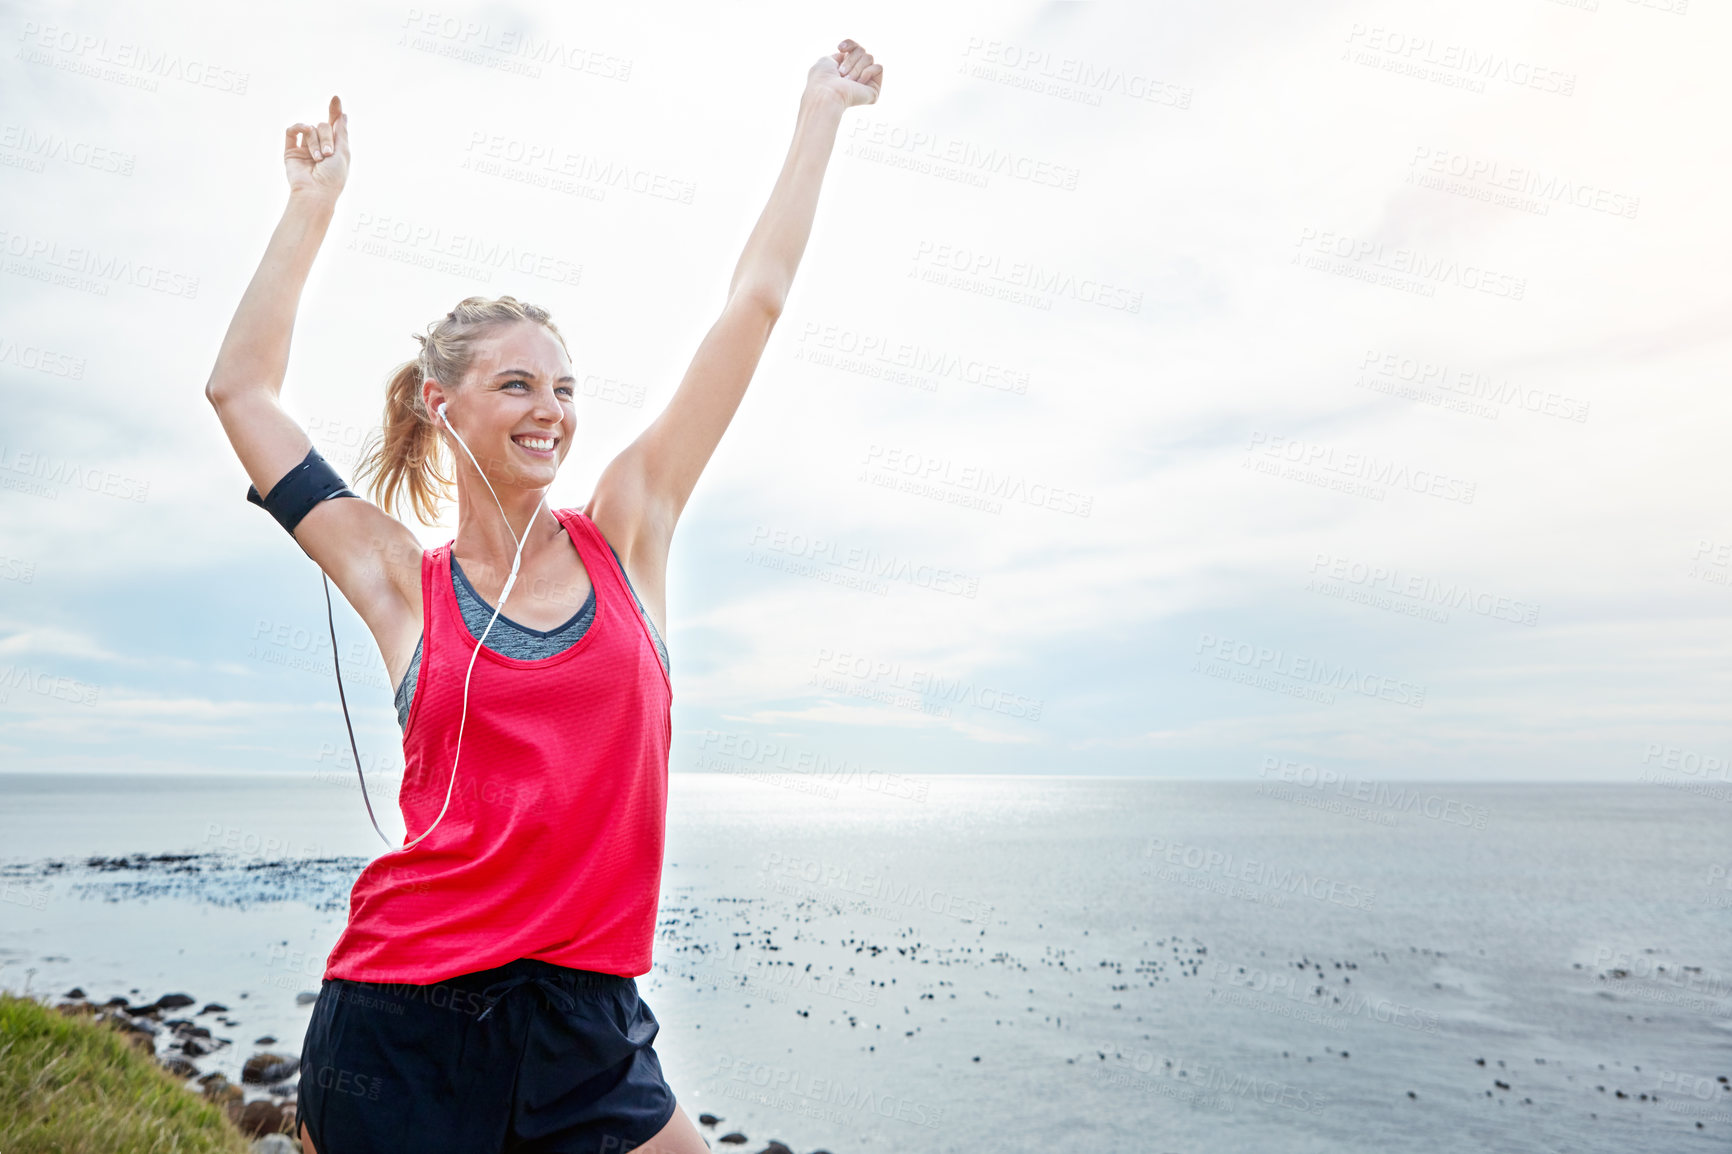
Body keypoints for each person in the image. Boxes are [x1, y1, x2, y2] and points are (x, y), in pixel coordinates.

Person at [203, 40, 883, 1154]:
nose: (550, 410)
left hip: (588, 1029)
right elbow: (240, 390)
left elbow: (751, 306)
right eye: (515, 383)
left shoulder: (630, 524)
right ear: (442, 403)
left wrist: (821, 112)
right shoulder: (395, 580)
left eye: (564, 387)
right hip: (402, 1028)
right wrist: (312, 204)